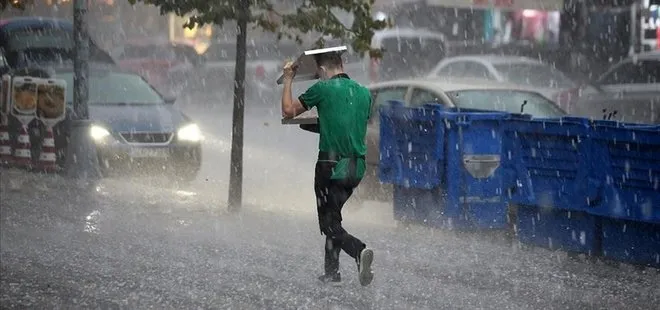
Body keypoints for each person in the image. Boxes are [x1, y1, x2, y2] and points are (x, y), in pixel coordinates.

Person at [280, 51, 375, 286]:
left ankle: (358, 250)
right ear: (342, 64)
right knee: (334, 216)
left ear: (322, 71)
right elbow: (349, 124)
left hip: (330, 166)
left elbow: (288, 111)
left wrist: (289, 78)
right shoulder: (364, 93)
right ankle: (332, 272)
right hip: (356, 167)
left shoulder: (322, 89)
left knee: (328, 223)